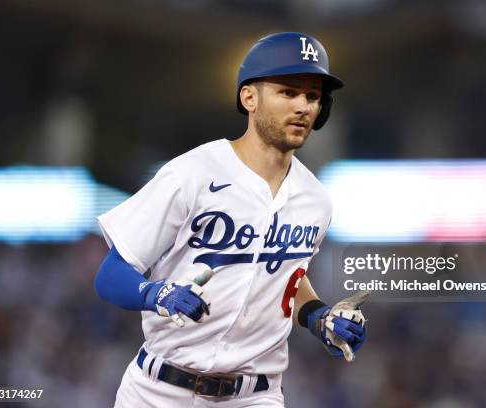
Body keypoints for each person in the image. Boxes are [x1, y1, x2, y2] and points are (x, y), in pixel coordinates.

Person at [94, 32, 369, 408]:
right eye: (288, 92)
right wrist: (157, 294)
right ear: (249, 97)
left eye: (313, 95)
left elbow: (288, 277)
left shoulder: (316, 200)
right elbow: (111, 273)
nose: (304, 106)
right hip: (158, 392)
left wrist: (319, 317)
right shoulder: (192, 174)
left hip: (255, 396)